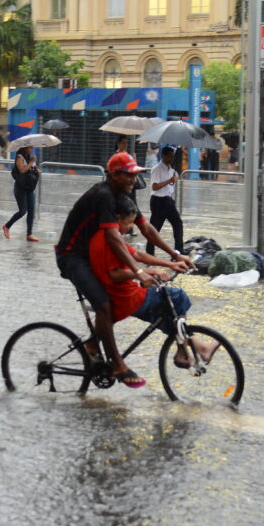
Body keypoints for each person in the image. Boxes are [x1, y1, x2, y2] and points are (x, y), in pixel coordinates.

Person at [54, 152, 192, 389]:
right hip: (72, 257)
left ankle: (92, 345)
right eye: (128, 175)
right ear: (113, 175)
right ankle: (117, 364)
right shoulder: (104, 196)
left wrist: (175, 255)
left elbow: (146, 228)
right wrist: (139, 272)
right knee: (104, 305)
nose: (132, 180)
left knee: (113, 301)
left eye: (134, 175)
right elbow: (113, 237)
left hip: (90, 253)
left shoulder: (124, 196)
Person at [90, 194, 218, 372]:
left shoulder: (109, 234)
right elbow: (115, 274)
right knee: (176, 297)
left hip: (123, 294)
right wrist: (149, 271)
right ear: (117, 218)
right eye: (128, 223)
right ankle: (189, 351)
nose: (129, 228)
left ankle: (193, 349)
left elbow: (138, 255)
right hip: (125, 297)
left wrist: (171, 262)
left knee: (167, 314)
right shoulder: (108, 239)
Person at [145, 145, 185, 258]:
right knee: (155, 229)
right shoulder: (157, 169)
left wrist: (173, 180)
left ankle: (179, 250)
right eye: (169, 157)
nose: (171, 159)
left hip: (168, 200)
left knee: (177, 223)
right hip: (158, 202)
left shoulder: (171, 169)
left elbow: (170, 184)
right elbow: (155, 186)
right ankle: (149, 252)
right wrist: (169, 181)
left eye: (172, 157)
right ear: (163, 156)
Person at [3, 145, 40, 241]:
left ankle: (29, 234)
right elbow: (22, 170)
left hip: (29, 187)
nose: (32, 149)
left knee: (31, 210)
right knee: (23, 211)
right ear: (25, 148)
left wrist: (36, 169)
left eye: (32, 147)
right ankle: (7, 226)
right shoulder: (20, 157)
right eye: (30, 147)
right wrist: (31, 162)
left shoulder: (29, 158)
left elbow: (31, 169)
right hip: (20, 188)